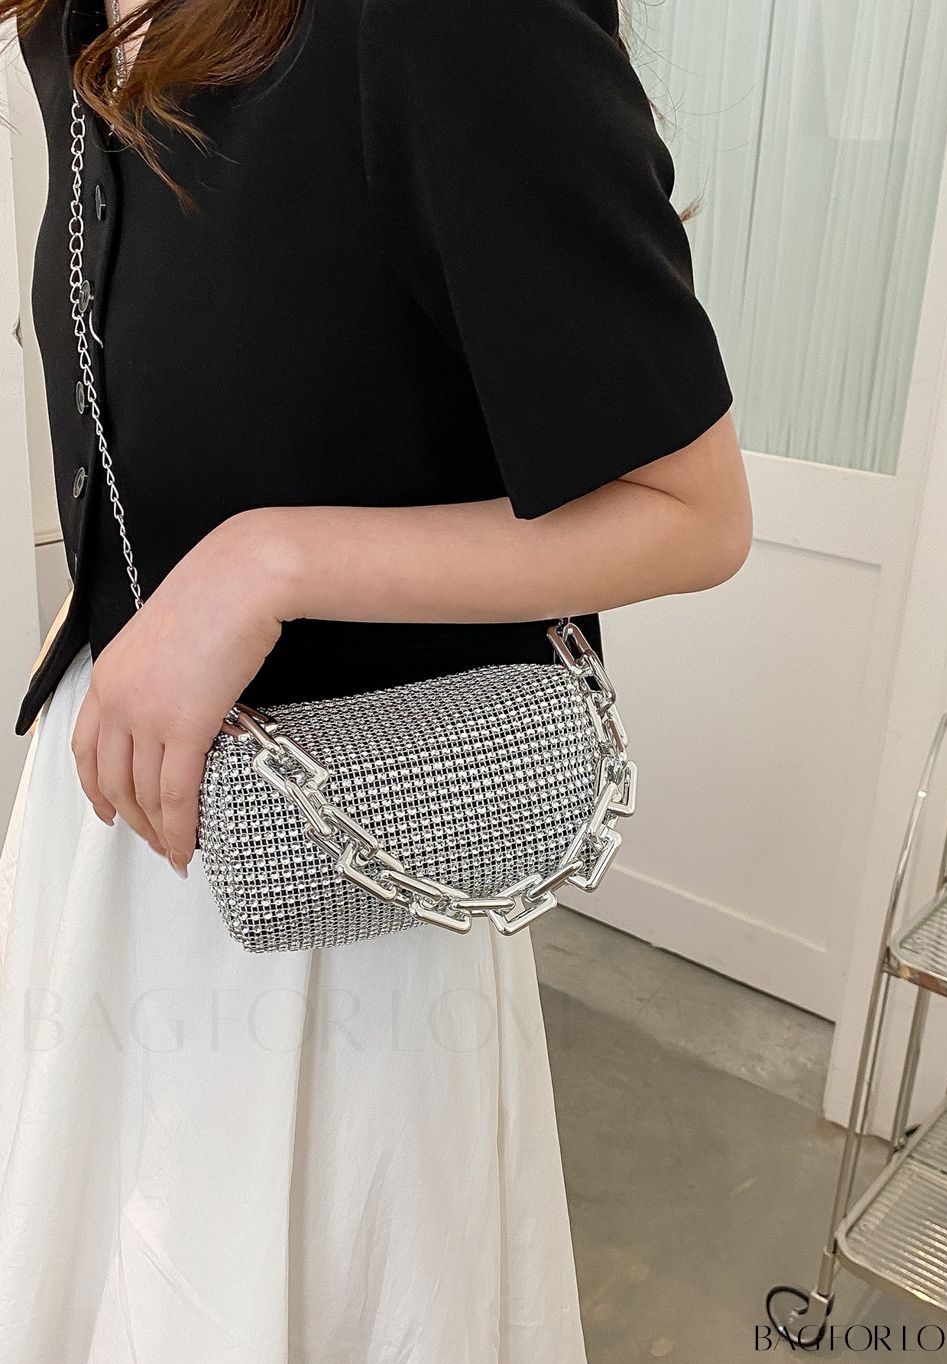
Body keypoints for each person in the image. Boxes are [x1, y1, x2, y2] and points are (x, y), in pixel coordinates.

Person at [0, 0, 752, 1358]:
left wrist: (262, 565)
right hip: (108, 828)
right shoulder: (66, 24)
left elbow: (691, 513)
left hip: (344, 878)